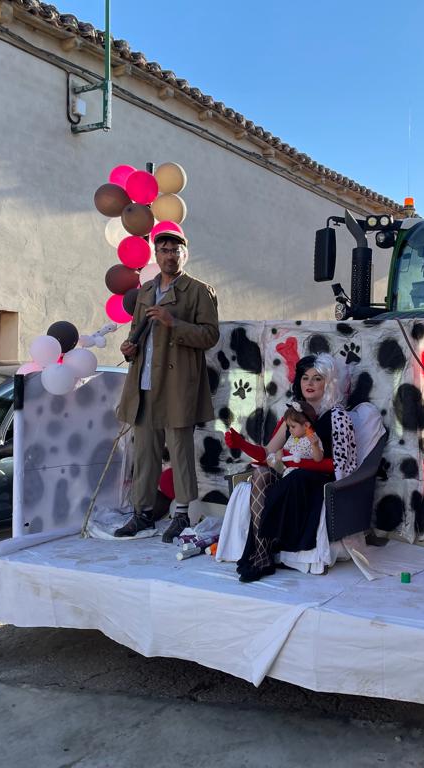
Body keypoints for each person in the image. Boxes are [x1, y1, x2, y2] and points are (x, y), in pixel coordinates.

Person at [114, 227, 219, 542]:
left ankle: (183, 514)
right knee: (144, 452)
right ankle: (142, 514)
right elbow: (137, 334)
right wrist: (129, 350)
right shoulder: (145, 291)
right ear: (156, 255)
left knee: (180, 450)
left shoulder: (199, 290)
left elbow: (210, 336)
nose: (169, 255)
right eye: (163, 250)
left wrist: (175, 324)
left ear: (184, 254)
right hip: (144, 382)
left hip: (175, 383)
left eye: (175, 250)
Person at [224, 353, 358, 582]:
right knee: (261, 474)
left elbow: (342, 465)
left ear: (329, 383)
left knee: (296, 479)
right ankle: (263, 553)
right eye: (305, 378)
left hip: (318, 482)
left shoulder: (338, 417)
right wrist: (242, 444)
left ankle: (263, 554)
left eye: (317, 378)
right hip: (291, 476)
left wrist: (300, 462)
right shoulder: (293, 414)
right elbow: (267, 453)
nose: (309, 383)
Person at [266, 403, 323, 475]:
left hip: (300, 469)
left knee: (290, 471)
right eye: (288, 426)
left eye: (293, 427)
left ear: (306, 425)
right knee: (270, 457)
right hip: (287, 463)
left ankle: (281, 473)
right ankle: (280, 470)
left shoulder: (313, 439)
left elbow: (318, 459)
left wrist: (315, 446)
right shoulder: (293, 437)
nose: (290, 430)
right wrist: (279, 454)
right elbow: (285, 449)